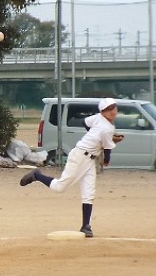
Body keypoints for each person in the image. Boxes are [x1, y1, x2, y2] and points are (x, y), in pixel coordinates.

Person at [19, 97, 124, 237]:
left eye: (113, 108)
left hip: (89, 160)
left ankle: (86, 226)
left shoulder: (99, 119)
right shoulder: (106, 128)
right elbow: (107, 150)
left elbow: (85, 122)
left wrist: (93, 134)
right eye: (108, 110)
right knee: (60, 187)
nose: (112, 111)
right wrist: (106, 161)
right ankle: (37, 175)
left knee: (89, 193)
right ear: (102, 112)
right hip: (80, 156)